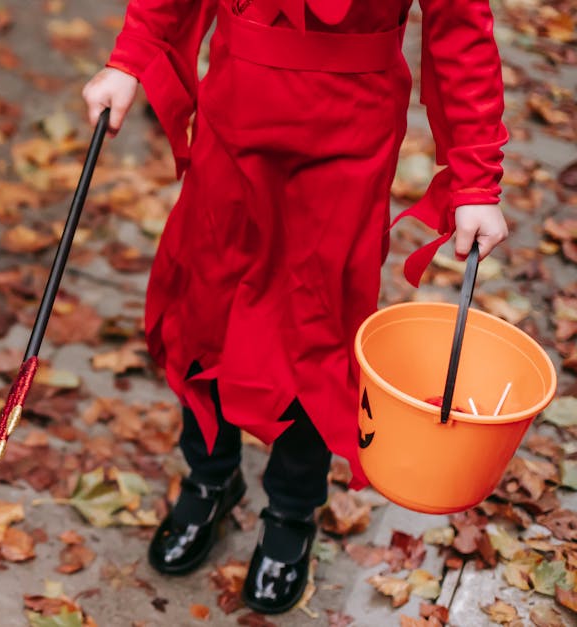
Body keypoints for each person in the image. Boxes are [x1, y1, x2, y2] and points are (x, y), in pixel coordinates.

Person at [82, 0, 508, 614]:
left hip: (350, 133)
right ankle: (210, 477)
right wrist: (131, 57)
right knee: (207, 304)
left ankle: (291, 510)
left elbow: (460, 28)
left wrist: (475, 179)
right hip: (234, 109)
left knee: (320, 330)